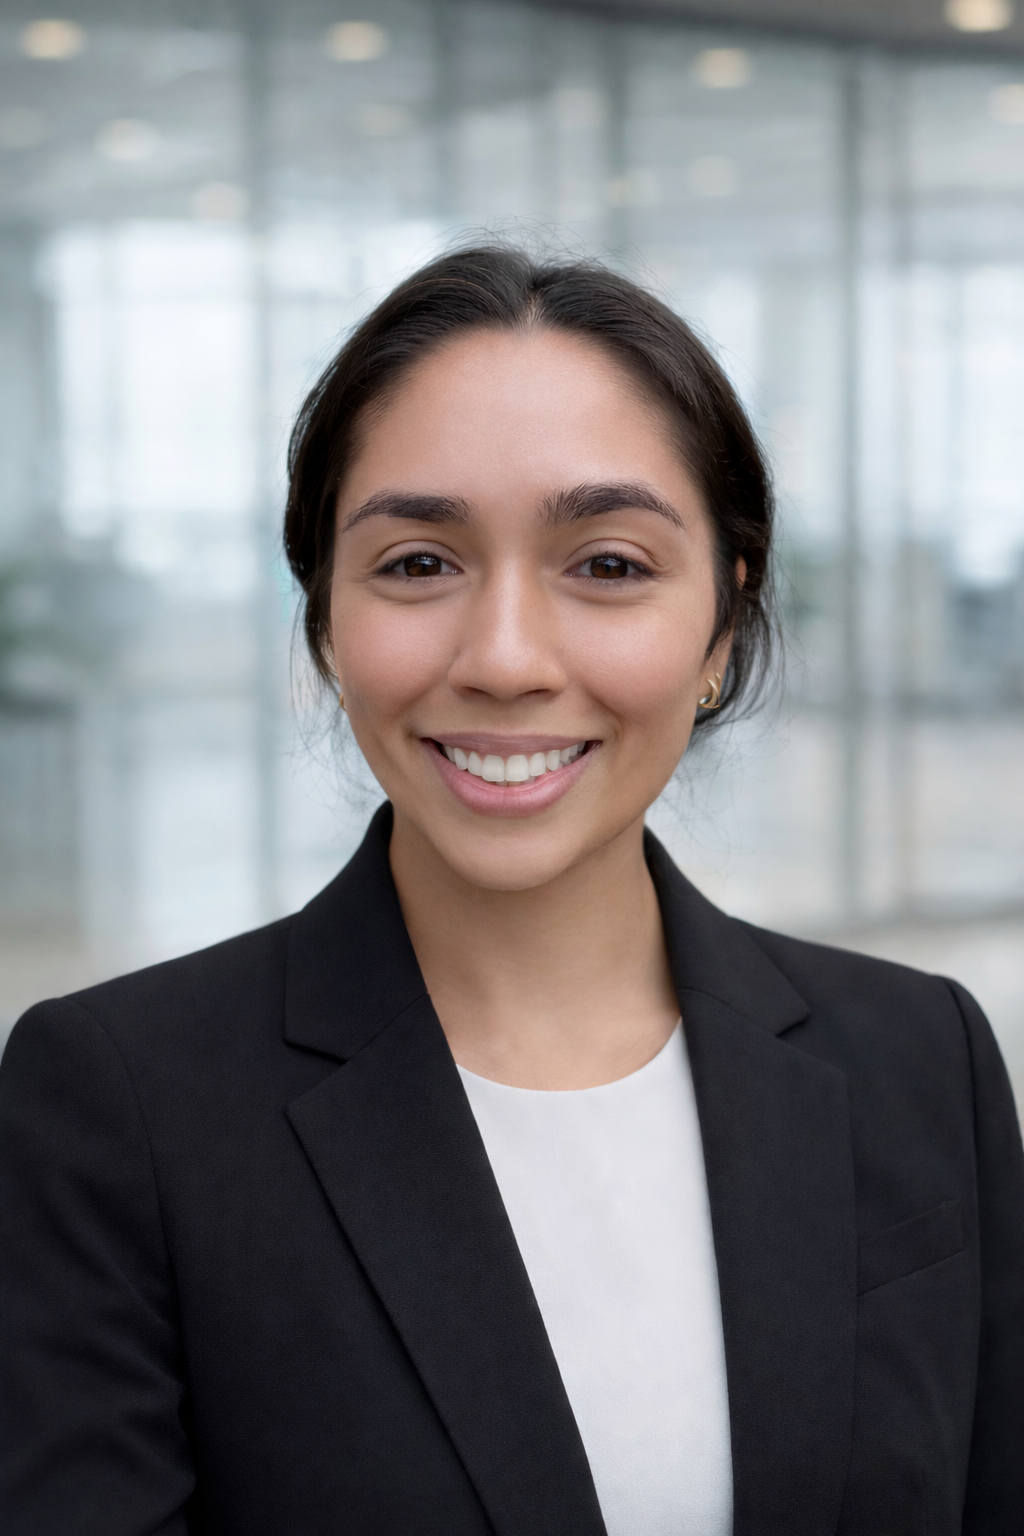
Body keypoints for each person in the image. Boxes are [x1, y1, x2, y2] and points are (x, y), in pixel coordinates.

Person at [1, 246, 1021, 1536]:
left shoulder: (918, 1060)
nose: (504, 659)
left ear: (722, 620)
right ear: (324, 618)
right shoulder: (120, 1110)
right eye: (419, 563)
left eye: (608, 565)